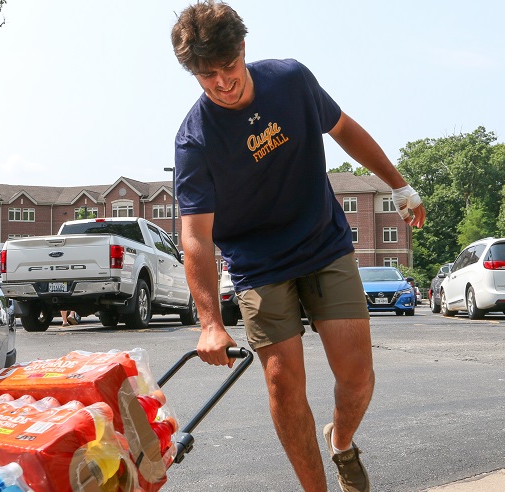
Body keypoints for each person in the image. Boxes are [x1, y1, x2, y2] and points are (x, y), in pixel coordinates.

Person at [170, 2, 426, 491]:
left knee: (357, 378)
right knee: (283, 384)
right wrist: (208, 323)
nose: (222, 83)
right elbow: (195, 235)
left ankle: (342, 441)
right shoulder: (194, 139)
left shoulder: (291, 80)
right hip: (258, 264)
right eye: (207, 77)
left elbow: (345, 129)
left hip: (323, 244)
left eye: (228, 69)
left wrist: (399, 185)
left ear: (243, 50)